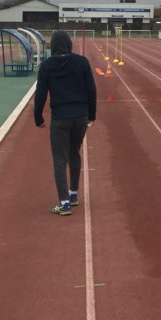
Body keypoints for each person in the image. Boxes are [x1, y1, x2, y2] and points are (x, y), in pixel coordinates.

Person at [34, 30, 97, 216]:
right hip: (81, 116)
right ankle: (74, 194)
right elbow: (91, 90)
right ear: (69, 44)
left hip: (60, 118)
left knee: (60, 159)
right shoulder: (82, 62)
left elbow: (40, 95)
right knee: (74, 153)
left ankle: (64, 203)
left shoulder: (46, 67)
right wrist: (91, 115)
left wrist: (38, 118)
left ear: (52, 46)